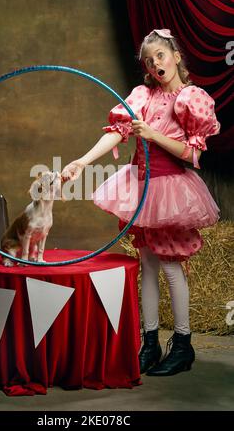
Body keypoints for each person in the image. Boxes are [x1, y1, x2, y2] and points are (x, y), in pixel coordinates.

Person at [61, 29, 220, 376]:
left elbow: (191, 152)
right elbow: (118, 132)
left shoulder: (189, 98)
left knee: (171, 268)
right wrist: (81, 162)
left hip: (169, 189)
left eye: (161, 55)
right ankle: (149, 342)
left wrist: (153, 135)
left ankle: (182, 344)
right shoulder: (143, 95)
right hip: (140, 186)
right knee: (146, 264)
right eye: (149, 60)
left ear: (176, 56)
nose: (155, 63)